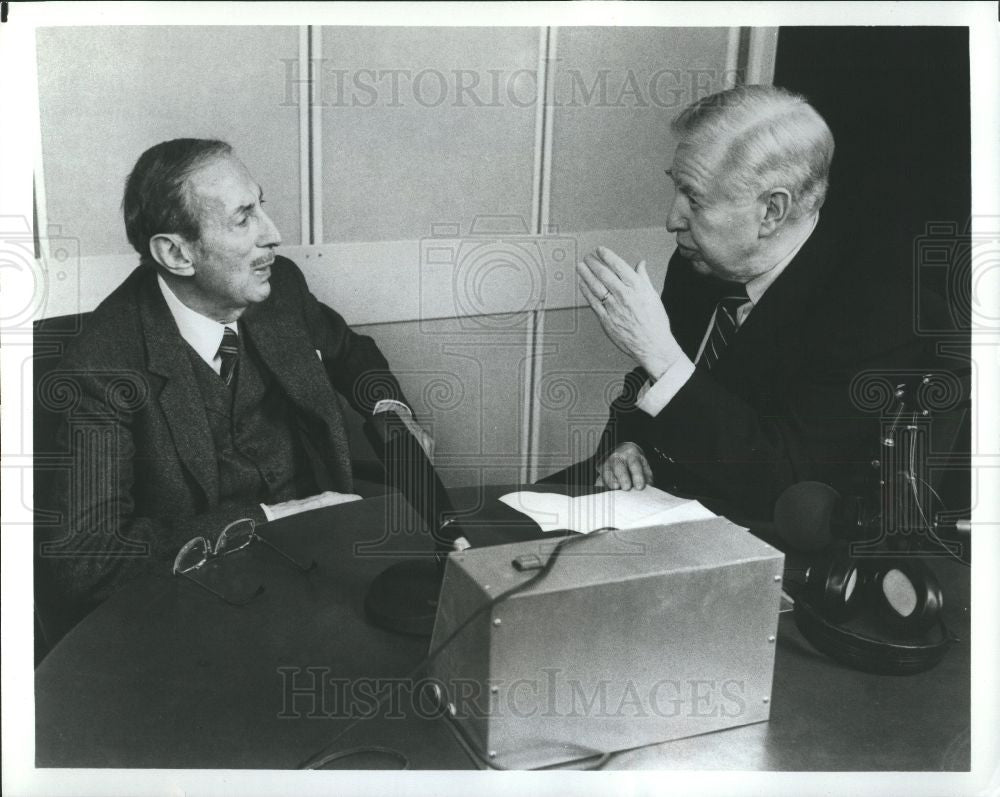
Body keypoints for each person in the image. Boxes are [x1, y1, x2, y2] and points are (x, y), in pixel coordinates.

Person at [36, 138, 431, 628]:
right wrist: (271, 518)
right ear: (177, 253)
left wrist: (389, 408)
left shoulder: (278, 287)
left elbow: (353, 354)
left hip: (321, 565)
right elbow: (87, 563)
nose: (275, 234)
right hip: (200, 601)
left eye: (260, 206)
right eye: (243, 218)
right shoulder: (100, 366)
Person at [568, 84, 941, 520]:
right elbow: (650, 386)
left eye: (694, 198)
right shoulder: (699, 263)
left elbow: (789, 484)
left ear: (771, 212)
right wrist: (627, 444)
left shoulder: (881, 310)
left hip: (767, 534)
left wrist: (662, 355)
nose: (672, 220)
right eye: (676, 189)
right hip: (656, 496)